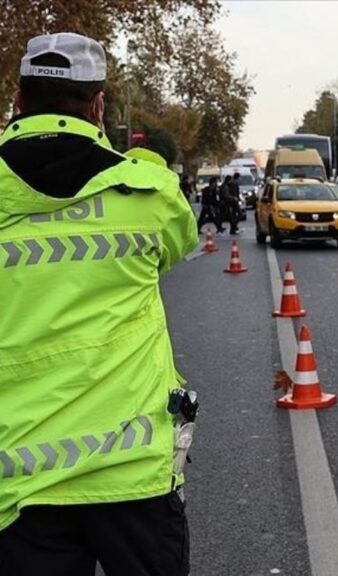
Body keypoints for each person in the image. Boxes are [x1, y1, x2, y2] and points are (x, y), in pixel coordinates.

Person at [0, 33, 198, 575]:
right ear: (98, 104)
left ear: (19, 101)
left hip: (17, 482)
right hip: (131, 475)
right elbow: (180, 243)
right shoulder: (147, 193)